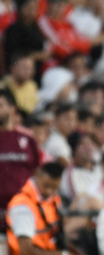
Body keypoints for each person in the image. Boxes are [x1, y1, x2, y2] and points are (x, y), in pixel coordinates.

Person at [6, 162, 76, 255]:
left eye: (54, 187)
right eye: (46, 185)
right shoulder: (22, 206)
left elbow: (57, 235)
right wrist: (63, 254)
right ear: (37, 174)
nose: (49, 191)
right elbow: (26, 251)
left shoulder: (53, 199)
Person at [0, 89, 40, 234]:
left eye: (1, 106)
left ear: (13, 109)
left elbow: (37, 171)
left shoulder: (27, 138)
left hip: (23, 211)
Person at [44, 103, 78, 168]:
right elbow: (66, 165)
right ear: (56, 119)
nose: (71, 123)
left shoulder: (60, 138)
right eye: (67, 118)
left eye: (74, 119)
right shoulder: (54, 139)